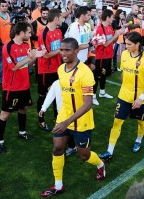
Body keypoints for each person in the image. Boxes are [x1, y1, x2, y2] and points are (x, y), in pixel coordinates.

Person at [40, 38, 105, 197]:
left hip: (82, 121)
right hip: (63, 116)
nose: (63, 53)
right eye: (61, 50)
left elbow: (88, 103)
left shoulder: (86, 72)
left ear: (76, 51)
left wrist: (68, 122)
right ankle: (58, 185)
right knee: (57, 148)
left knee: (84, 155)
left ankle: (101, 165)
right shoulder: (61, 69)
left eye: (67, 50)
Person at [98, 32, 144, 160]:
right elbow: (124, 72)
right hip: (124, 96)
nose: (125, 46)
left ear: (137, 44)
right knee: (117, 121)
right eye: (125, 43)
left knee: (141, 122)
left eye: (129, 44)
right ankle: (109, 151)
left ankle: (139, 140)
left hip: (139, 99)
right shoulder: (124, 54)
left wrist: (140, 98)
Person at [0, 21, 38, 153]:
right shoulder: (7, 47)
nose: (31, 34)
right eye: (29, 32)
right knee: (5, 114)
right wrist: (28, 57)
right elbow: (14, 67)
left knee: (23, 109)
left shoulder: (26, 45)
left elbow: (28, 65)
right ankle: (0, 141)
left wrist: (35, 58)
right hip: (11, 87)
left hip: (24, 85)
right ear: (21, 33)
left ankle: (22, 132)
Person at [36, 9, 63, 131]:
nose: (62, 19)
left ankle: (57, 117)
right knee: (43, 96)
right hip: (45, 70)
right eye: (61, 17)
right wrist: (62, 49)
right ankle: (41, 120)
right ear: (56, 18)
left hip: (57, 69)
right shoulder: (43, 33)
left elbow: (58, 50)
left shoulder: (58, 31)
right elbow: (46, 55)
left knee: (57, 94)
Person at [92, 9, 124, 105]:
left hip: (109, 55)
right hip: (101, 57)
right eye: (111, 17)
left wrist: (118, 35)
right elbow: (105, 44)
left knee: (104, 74)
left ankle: (102, 92)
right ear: (107, 18)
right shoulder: (100, 29)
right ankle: (93, 96)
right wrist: (116, 35)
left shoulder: (109, 27)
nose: (113, 19)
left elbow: (113, 41)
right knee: (98, 76)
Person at [0, 0, 12, 84]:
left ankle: (6, 75)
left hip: (8, 41)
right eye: (2, 6)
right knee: (0, 61)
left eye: (6, 6)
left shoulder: (8, 15)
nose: (4, 7)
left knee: (7, 60)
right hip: (1, 42)